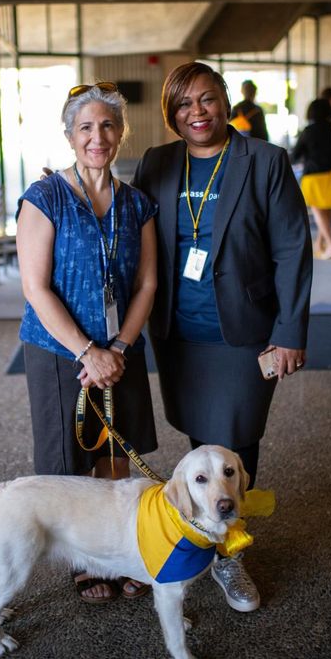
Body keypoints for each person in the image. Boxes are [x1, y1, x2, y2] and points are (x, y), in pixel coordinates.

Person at [132, 61, 312, 613]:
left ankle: (231, 555)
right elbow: (130, 229)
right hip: (178, 332)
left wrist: (289, 331)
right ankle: (202, 539)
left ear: (225, 100)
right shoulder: (159, 162)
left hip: (243, 334)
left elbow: (292, 248)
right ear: (172, 112)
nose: (197, 113)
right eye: (184, 104)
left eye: (206, 99)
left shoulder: (264, 161)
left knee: (236, 444)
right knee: (200, 450)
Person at [16, 82, 158, 603]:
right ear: (70, 136)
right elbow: (35, 287)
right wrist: (87, 351)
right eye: (85, 128)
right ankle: (83, 559)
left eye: (107, 126)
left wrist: (118, 347)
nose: (97, 137)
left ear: (120, 133)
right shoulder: (45, 197)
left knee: (118, 459)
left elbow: (146, 284)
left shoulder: (137, 204)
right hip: (59, 351)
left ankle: (121, 550)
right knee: (70, 462)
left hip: (121, 350)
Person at [291, 98, 331, 259]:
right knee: (326, 210)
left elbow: (295, 155)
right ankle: (320, 242)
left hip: (313, 177)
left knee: (317, 211)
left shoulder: (308, 131)